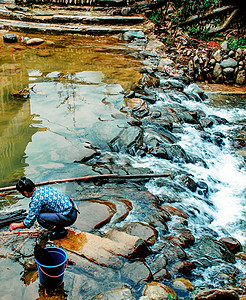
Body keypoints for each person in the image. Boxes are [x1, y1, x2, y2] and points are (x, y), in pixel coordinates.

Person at [9, 177, 78, 240]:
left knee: (40, 218)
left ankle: (61, 231)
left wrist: (15, 225)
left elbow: (28, 223)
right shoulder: (41, 189)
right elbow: (44, 206)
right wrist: (31, 212)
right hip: (72, 209)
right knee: (39, 214)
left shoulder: (36, 200)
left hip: (69, 217)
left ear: (25, 192)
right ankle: (59, 227)